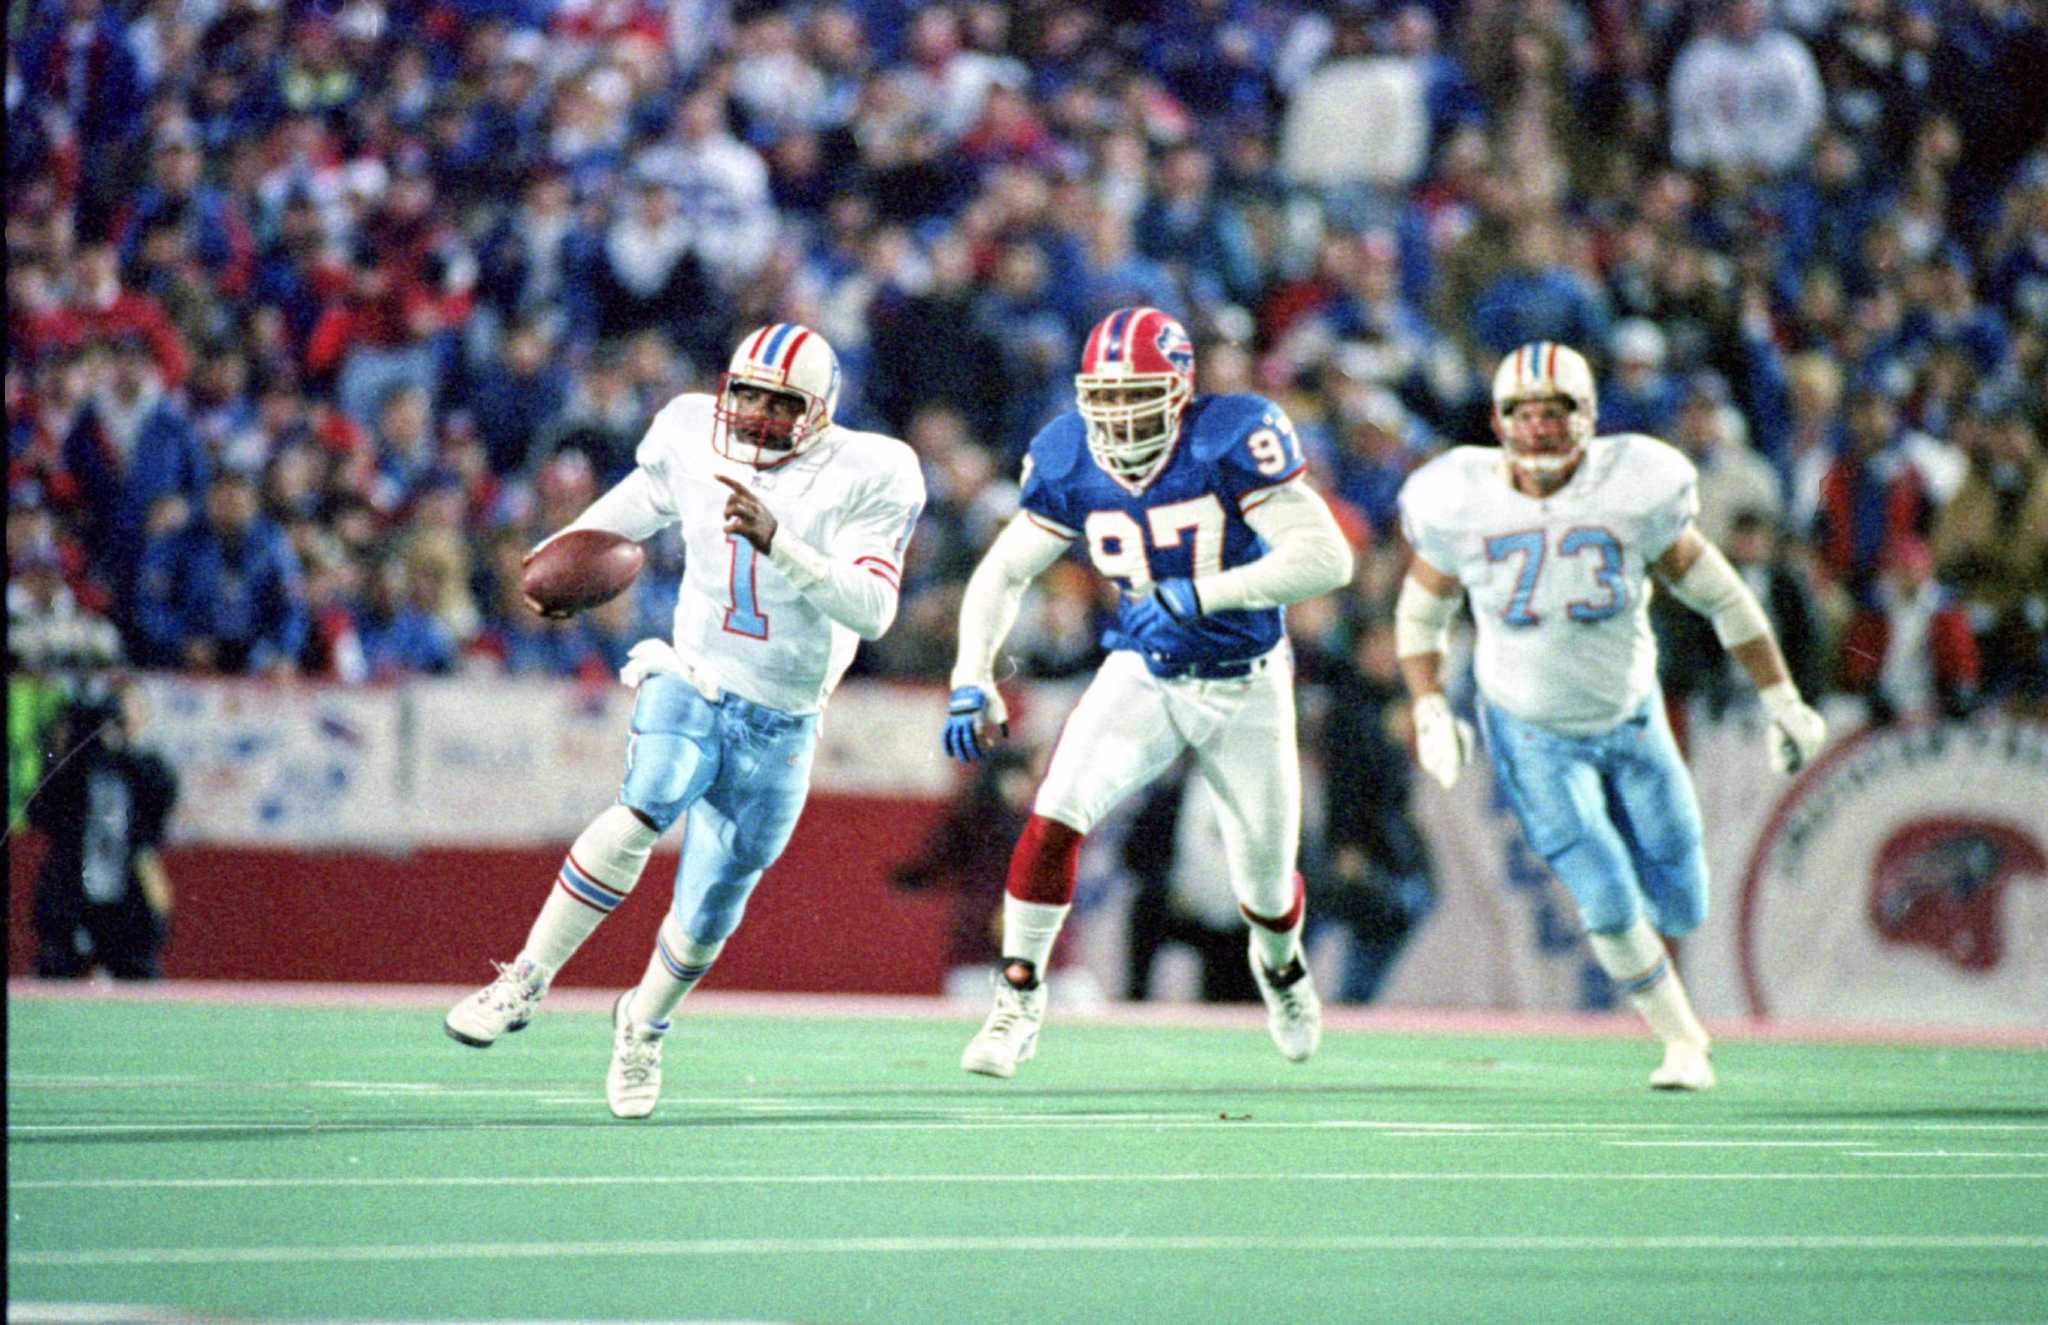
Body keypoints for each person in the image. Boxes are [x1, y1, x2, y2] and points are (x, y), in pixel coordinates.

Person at [444, 323, 925, 1120]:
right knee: (648, 797)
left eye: (783, 403)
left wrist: (784, 547)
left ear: (824, 411)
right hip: (695, 673)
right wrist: (564, 557)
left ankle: (641, 1023)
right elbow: (630, 511)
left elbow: (874, 610)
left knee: (710, 909)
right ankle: (525, 977)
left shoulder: (874, 469)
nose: (761, 417)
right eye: (750, 396)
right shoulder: (687, 429)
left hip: (784, 714)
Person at [1393, 341, 1828, 1092]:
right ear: (1498, 421)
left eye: (1555, 412)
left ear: (1589, 416)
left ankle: (1676, 1004)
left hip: (1631, 718)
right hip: (1528, 735)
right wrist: (1430, 706)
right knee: (1603, 893)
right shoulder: (1460, 500)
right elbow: (1419, 614)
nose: (1539, 429)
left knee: (1684, 896)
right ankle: (1682, 1039)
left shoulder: (1633, 487)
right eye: (1523, 414)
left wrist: (1781, 695)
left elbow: (1723, 596)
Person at [942, 305, 1354, 1077]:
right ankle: (1017, 1000)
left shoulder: (1230, 436)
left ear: (1180, 390)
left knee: (1263, 878)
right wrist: (972, 675)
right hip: (1144, 668)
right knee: (1056, 816)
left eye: (1138, 396)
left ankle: (1282, 965)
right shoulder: (1068, 453)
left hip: (1248, 679)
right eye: (1106, 397)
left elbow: (1328, 558)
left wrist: (1207, 595)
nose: (1120, 417)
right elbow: (1002, 569)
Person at [29, 676, 179, 980]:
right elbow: (41, 813)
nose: (123, 717)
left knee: (138, 973)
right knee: (56, 967)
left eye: (131, 708)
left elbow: (157, 816)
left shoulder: (152, 767)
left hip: (128, 895)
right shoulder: (80, 764)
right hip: (73, 890)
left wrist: (122, 750)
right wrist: (71, 743)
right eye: (116, 709)